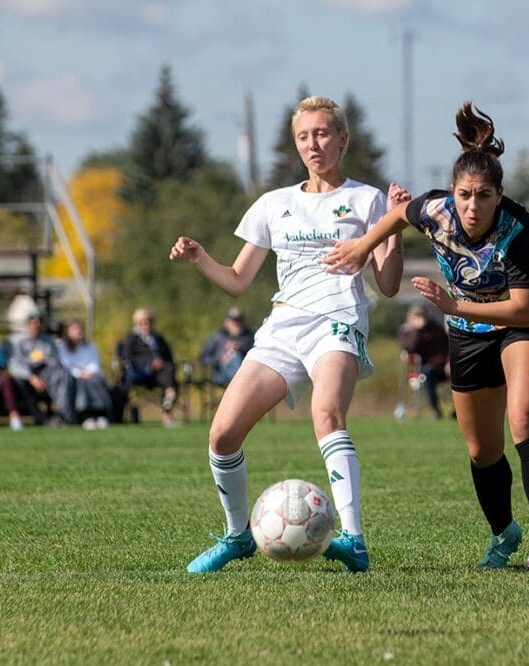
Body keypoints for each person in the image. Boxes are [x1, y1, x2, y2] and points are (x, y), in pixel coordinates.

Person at [324, 101, 529, 575]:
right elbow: (399, 214)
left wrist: (451, 305)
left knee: (522, 420)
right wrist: (361, 245)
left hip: (526, 325)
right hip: (467, 334)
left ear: (500, 196)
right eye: (464, 194)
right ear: (452, 191)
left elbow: (519, 308)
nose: (472, 206)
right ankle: (504, 534)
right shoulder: (436, 209)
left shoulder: (518, 230)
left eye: (483, 196)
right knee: (481, 450)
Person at [170, 95, 405, 574]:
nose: (313, 144)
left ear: (342, 138)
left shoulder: (367, 199)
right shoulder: (274, 204)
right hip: (282, 327)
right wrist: (200, 258)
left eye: (322, 134)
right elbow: (238, 279)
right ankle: (238, 536)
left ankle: (355, 540)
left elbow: (389, 285)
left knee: (327, 413)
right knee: (221, 434)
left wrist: (392, 228)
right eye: (303, 136)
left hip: (337, 319)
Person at [7, 308, 77, 426]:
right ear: (27, 323)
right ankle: (40, 418)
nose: (37, 325)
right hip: (25, 377)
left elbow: (55, 362)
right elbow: (15, 365)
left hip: (46, 375)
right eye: (34, 322)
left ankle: (65, 415)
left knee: (64, 375)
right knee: (20, 382)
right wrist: (31, 377)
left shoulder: (47, 341)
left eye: (40, 322)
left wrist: (46, 360)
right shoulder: (16, 341)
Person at [119, 307, 180, 426]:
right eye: (142, 323)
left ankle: (169, 396)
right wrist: (150, 363)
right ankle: (169, 401)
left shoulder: (158, 338)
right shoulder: (132, 339)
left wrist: (160, 362)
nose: (146, 326)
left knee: (169, 369)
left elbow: (169, 355)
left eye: (148, 322)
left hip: (159, 375)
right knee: (169, 377)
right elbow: (127, 356)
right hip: (140, 373)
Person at [56, 318, 114, 429]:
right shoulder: (61, 347)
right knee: (82, 383)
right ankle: (86, 415)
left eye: (81, 329)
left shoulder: (90, 347)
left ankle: (100, 414)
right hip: (72, 378)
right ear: (67, 331)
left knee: (96, 380)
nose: (79, 331)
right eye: (75, 329)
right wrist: (79, 373)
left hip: (90, 376)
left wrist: (89, 373)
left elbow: (95, 364)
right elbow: (65, 365)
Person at [397, 304, 450, 419]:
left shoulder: (437, 329)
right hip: (424, 368)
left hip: (445, 366)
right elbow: (410, 348)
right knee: (428, 372)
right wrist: (417, 331)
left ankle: (458, 412)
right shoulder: (407, 331)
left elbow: (449, 346)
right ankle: (435, 410)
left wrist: (449, 361)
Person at [199, 306, 255, 387]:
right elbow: (204, 358)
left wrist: (241, 349)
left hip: (246, 372)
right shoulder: (217, 336)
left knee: (237, 356)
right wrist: (221, 358)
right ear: (227, 322)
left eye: (239, 320)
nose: (236, 324)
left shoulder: (250, 337)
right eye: (233, 321)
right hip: (221, 374)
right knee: (234, 358)